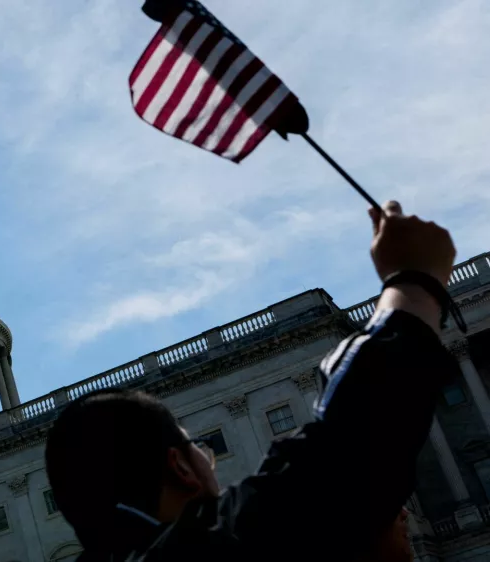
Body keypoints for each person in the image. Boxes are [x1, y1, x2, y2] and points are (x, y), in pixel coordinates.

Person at [45, 201, 459, 562]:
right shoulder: (199, 552)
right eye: (203, 453)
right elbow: (348, 449)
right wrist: (414, 280)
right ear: (180, 468)